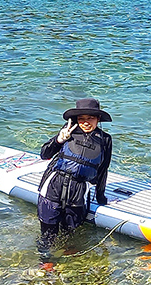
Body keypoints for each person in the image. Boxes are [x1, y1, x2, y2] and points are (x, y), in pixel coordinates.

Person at [37, 98, 113, 252]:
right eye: (81, 119)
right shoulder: (68, 130)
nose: (86, 123)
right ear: (76, 120)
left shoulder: (105, 140)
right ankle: (45, 265)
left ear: (98, 119)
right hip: (55, 184)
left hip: (79, 190)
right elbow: (44, 154)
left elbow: (103, 170)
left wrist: (101, 197)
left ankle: (68, 267)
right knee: (48, 235)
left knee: (70, 234)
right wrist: (59, 140)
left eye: (90, 118)